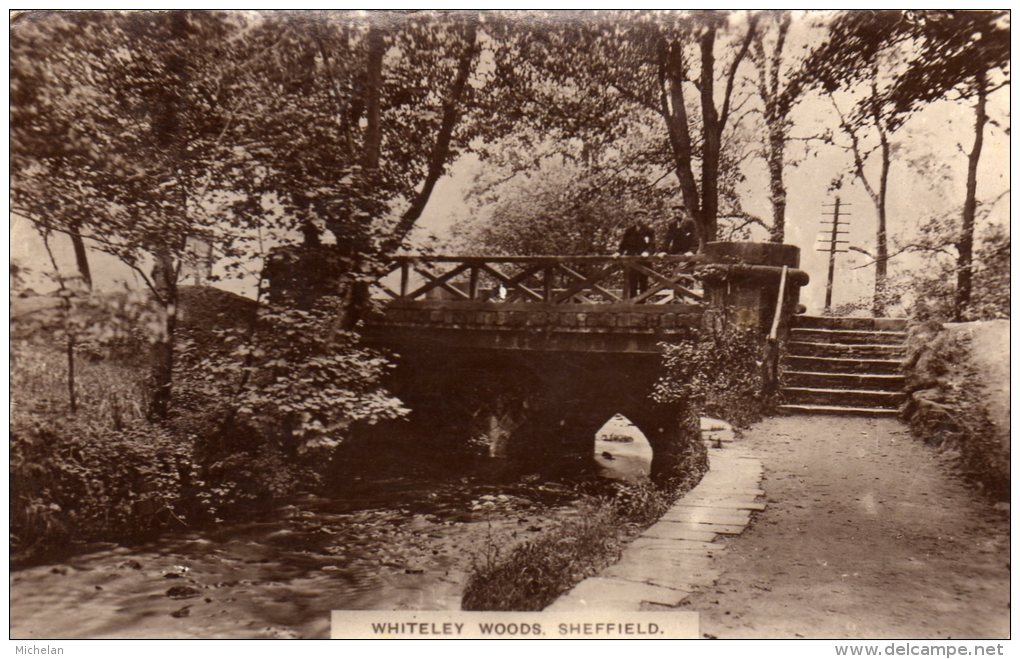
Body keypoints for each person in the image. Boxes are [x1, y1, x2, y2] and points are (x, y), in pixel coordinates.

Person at [617, 213, 656, 298]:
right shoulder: (629, 231)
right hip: (631, 261)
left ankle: (642, 304)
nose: (640, 219)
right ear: (634, 218)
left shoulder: (649, 231)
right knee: (632, 282)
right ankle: (632, 303)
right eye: (638, 216)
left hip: (644, 261)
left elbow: (652, 245)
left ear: (645, 218)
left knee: (643, 282)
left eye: (642, 217)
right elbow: (623, 245)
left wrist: (647, 252)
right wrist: (618, 252)